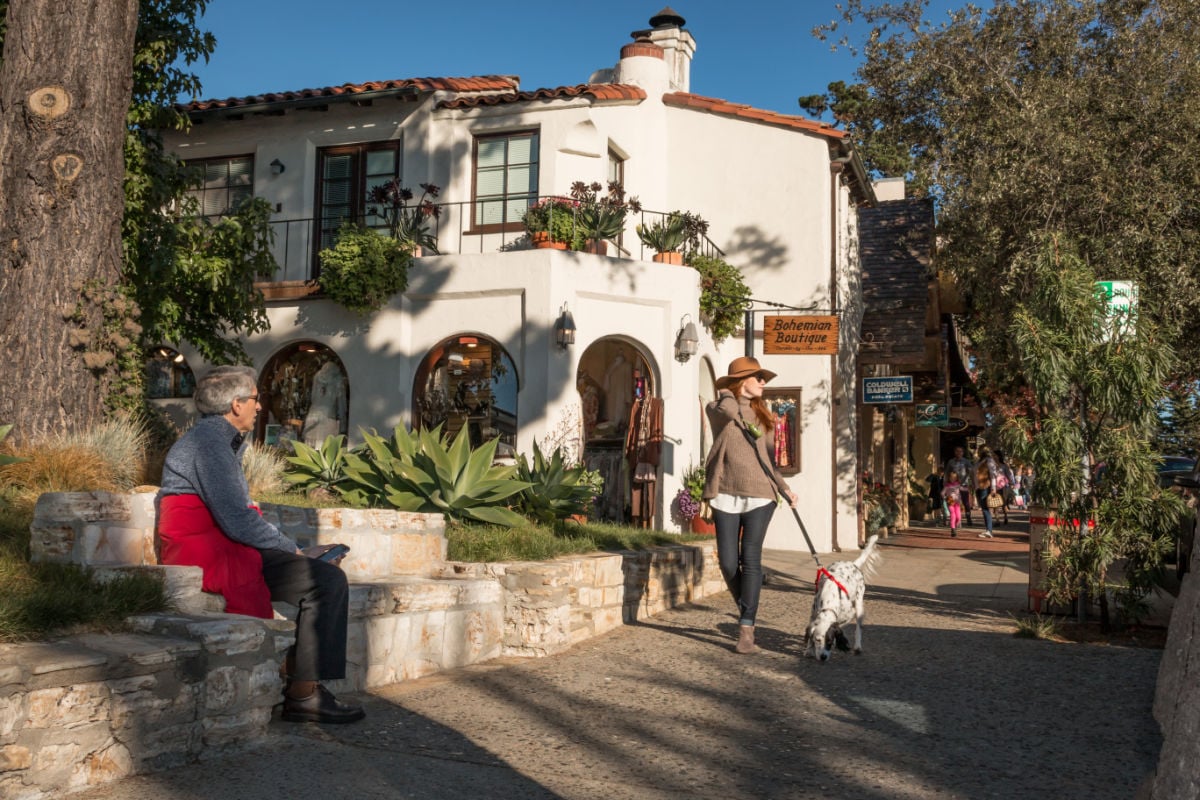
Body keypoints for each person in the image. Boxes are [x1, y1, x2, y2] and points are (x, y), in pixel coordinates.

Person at [156, 366, 364, 724]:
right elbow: (237, 520)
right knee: (325, 582)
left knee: (323, 578)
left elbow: (236, 520)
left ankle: (302, 685)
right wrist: (294, 551)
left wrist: (295, 552)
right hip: (209, 548)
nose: (258, 406)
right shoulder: (210, 444)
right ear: (236, 404)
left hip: (225, 543)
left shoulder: (219, 441)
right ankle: (304, 694)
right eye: (255, 399)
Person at [703, 356, 798, 654]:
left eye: (763, 378)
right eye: (757, 377)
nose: (763, 382)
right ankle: (747, 606)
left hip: (760, 493)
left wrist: (784, 489)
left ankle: (746, 629)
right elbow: (726, 409)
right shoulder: (720, 409)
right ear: (740, 381)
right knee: (728, 563)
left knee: (751, 558)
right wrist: (731, 390)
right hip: (725, 493)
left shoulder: (764, 417)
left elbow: (769, 461)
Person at [973, 447, 1000, 538]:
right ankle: (988, 529)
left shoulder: (989, 460)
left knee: (985, 509)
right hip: (979, 487)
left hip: (985, 486)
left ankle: (989, 530)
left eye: (980, 451)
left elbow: (993, 474)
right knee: (984, 508)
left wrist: (993, 487)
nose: (979, 452)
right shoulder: (980, 461)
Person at [946, 445, 975, 526]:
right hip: (953, 486)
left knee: (966, 502)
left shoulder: (966, 461)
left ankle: (968, 517)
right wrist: (945, 484)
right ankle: (955, 519)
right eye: (957, 451)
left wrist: (973, 483)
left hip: (963, 485)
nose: (959, 453)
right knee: (954, 502)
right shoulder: (951, 462)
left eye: (961, 451)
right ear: (954, 452)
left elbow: (972, 471)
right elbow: (947, 473)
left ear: (963, 453)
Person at [942, 471, 964, 537]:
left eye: (954, 478)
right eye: (951, 478)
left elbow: (963, 489)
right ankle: (953, 529)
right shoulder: (947, 485)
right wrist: (945, 497)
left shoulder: (958, 484)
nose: (953, 479)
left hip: (957, 502)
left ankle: (954, 525)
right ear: (949, 478)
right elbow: (942, 493)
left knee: (958, 517)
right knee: (953, 514)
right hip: (950, 502)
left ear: (956, 478)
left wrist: (967, 489)